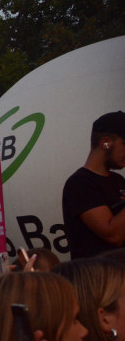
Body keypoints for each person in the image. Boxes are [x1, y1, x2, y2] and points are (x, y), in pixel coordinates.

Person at [62, 111, 125, 259]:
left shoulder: (118, 180)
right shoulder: (80, 183)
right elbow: (112, 235)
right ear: (105, 143)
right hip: (96, 279)